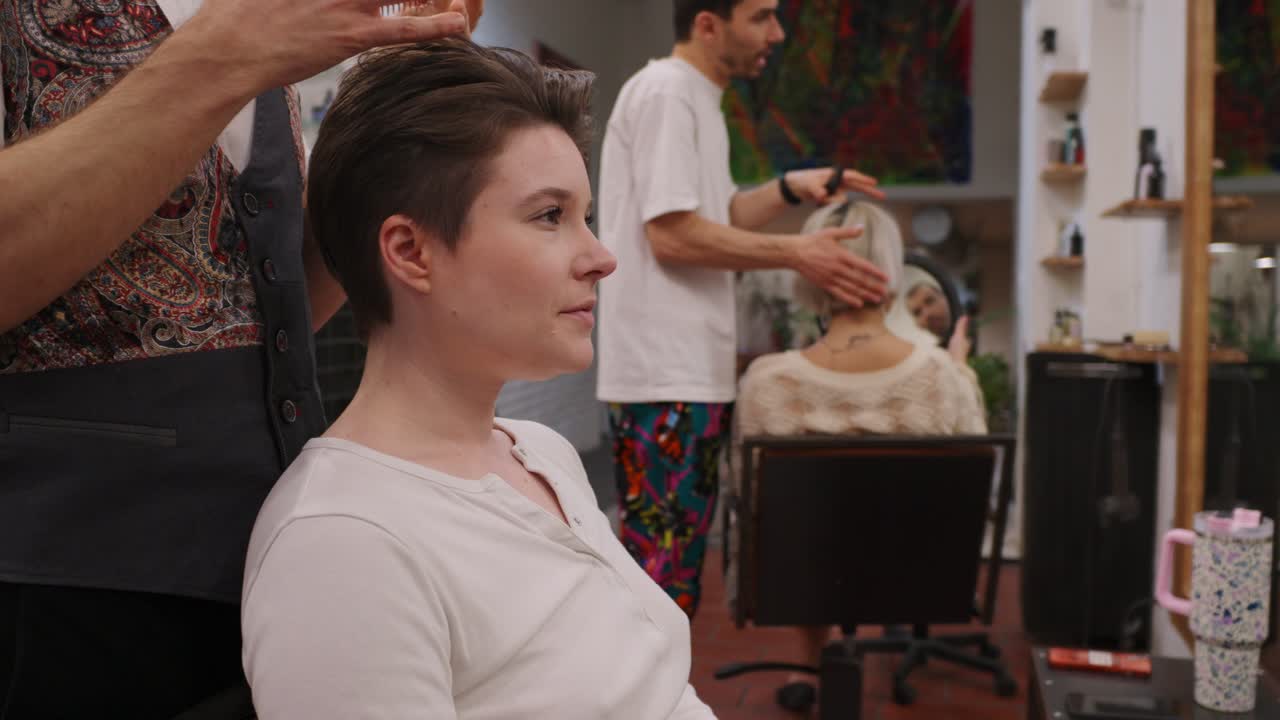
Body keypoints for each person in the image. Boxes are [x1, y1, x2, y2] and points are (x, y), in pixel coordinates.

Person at [0, 1, 479, 716]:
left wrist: (395, 86)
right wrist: (223, 56)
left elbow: (265, 306)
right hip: (63, 589)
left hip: (274, 562)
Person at [241, 39, 716, 719]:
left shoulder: (540, 453)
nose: (602, 257)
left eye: (586, 216)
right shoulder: (345, 545)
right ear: (411, 252)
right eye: (550, 216)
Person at [596, 0, 889, 620]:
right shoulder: (668, 93)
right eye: (761, 16)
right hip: (662, 375)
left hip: (686, 373)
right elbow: (672, 238)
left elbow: (715, 217)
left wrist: (788, 188)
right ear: (708, 24)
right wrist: (798, 254)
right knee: (659, 586)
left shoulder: (698, 99)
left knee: (673, 579)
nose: (777, 34)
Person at [730, 200, 986, 712]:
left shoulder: (767, 383)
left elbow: (750, 504)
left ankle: (809, 659)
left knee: (802, 530)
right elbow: (973, 489)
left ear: (809, 270)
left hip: (796, 582)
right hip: (919, 579)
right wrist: (961, 367)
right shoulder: (941, 376)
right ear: (892, 273)